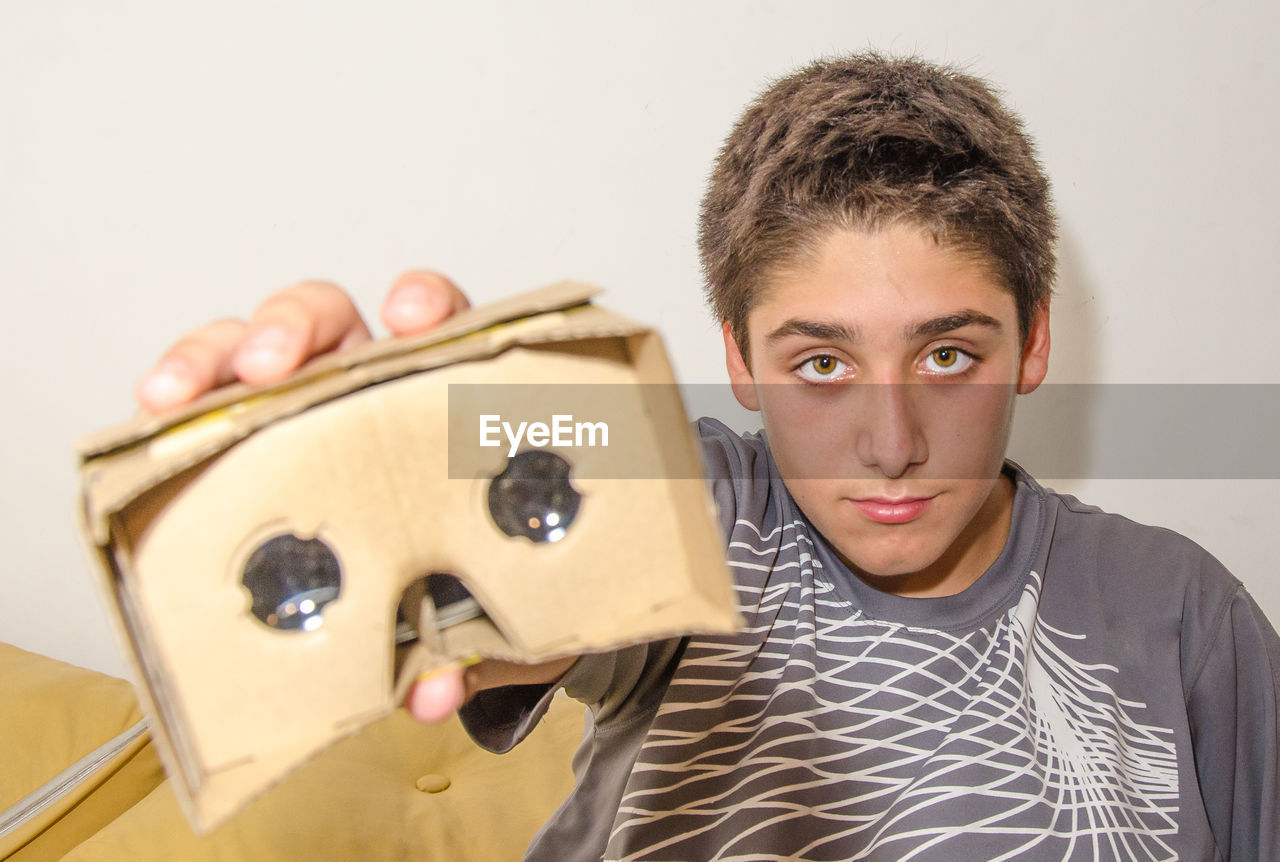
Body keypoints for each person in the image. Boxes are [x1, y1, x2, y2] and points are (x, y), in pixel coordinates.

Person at [135, 54, 1279, 860]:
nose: (890, 446)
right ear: (736, 357)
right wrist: (349, 433)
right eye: (818, 365)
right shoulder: (704, 515)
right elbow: (514, 474)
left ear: (1031, 341)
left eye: (944, 353)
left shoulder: (1180, 611)